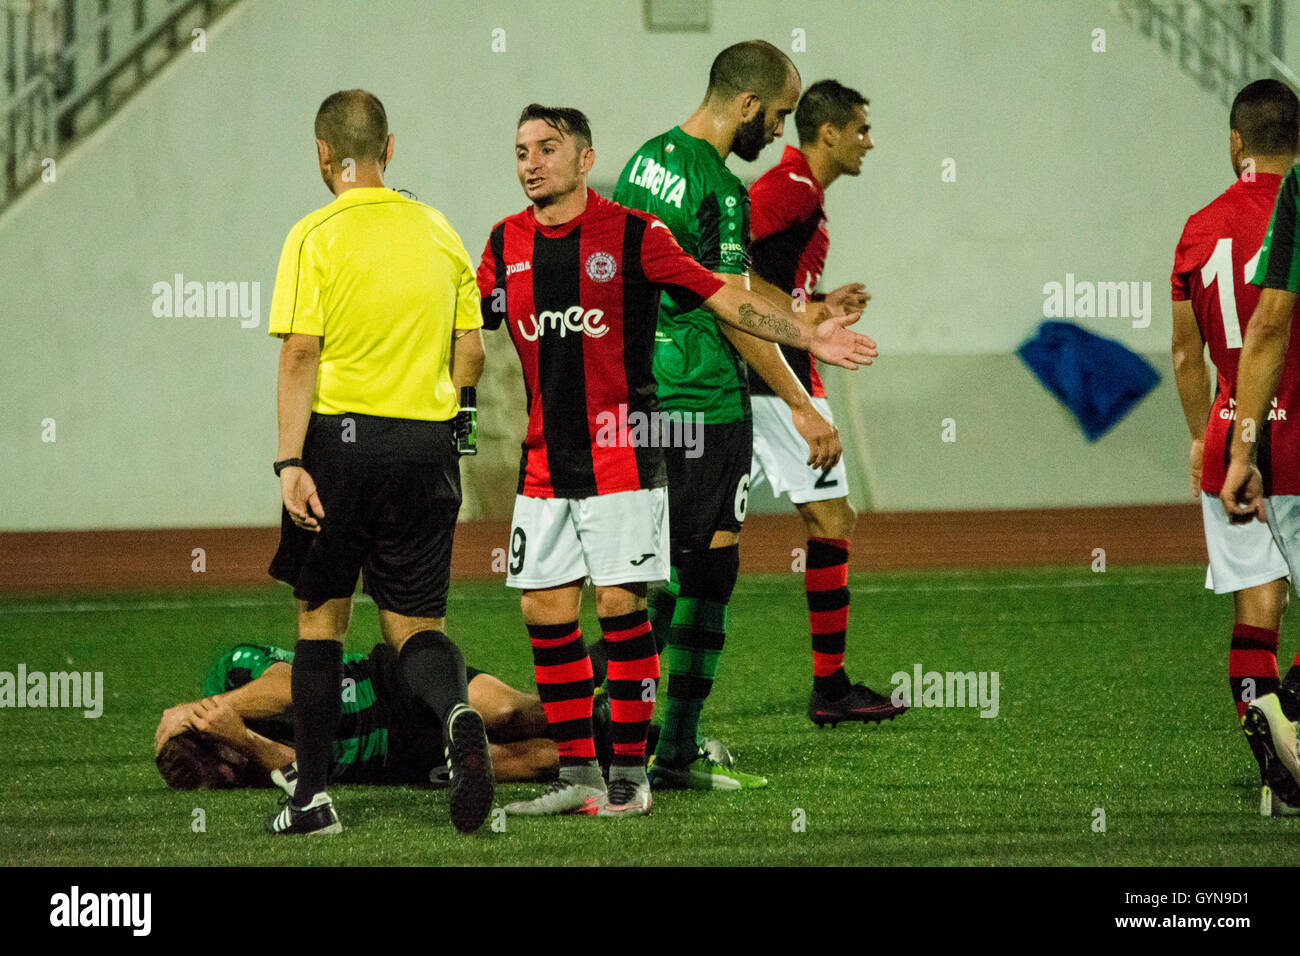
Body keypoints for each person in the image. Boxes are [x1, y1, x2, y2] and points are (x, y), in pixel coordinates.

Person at [478, 104, 877, 815]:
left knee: (622, 605)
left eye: (545, 148)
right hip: (543, 462)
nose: (530, 163)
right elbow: (464, 314)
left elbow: (724, 295)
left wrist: (803, 335)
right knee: (544, 612)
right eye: (519, 151)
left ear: (583, 157)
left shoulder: (633, 234)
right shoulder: (503, 242)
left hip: (625, 456)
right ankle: (580, 777)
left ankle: (630, 780)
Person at [613, 41, 877, 789]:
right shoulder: (723, 190)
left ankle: (610, 730)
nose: (780, 131)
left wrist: (807, 318)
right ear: (751, 106)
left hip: (646, 397)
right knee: (709, 571)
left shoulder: (643, 161)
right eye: (782, 114)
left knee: (646, 570)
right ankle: (673, 751)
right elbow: (732, 311)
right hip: (706, 399)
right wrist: (800, 397)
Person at [264, 89, 491, 835]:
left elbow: (301, 352)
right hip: (427, 447)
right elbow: (473, 350)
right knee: (415, 627)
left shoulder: (314, 235)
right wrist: (458, 420)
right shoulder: (439, 229)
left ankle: (313, 802)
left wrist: (290, 461)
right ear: (390, 150)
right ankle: (457, 711)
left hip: (341, 444)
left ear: (323, 156)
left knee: (320, 622)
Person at [745, 78, 905, 727]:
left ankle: (612, 668)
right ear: (830, 133)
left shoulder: (803, 193)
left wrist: (817, 306)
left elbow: (764, 278)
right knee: (832, 523)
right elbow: (724, 263)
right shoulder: (791, 187)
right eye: (861, 129)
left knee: (699, 540)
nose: (869, 141)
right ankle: (831, 689)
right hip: (772, 377)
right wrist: (799, 324)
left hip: (763, 370)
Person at [1205, 79, 1300, 815]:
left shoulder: (1202, 225)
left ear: (1238, 141)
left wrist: (1239, 441)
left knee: (1257, 606)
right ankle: (1290, 709)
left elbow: (1199, 348)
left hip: (1261, 433)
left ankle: (1279, 749)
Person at [154, 643, 563, 791]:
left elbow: (293, 690)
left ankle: (603, 702)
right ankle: (608, 751)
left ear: (204, 732)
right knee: (538, 760)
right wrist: (245, 740)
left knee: (512, 712)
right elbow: (306, 774)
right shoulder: (236, 763)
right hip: (393, 760)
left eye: (225, 759)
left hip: (388, 686)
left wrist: (214, 712)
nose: (234, 770)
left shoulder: (233, 670)